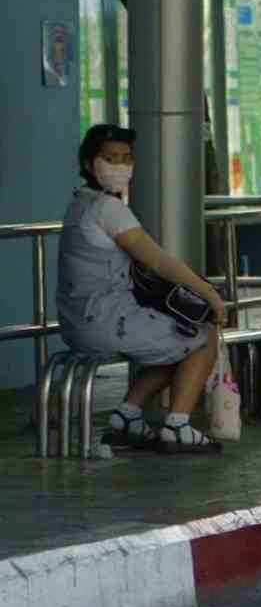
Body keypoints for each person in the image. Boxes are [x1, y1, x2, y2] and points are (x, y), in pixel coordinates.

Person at [56, 124, 230, 452]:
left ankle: (128, 416)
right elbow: (157, 259)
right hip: (106, 322)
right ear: (87, 164)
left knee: (175, 336)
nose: (120, 166)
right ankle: (177, 425)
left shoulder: (79, 203)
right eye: (110, 158)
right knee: (201, 336)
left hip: (78, 321)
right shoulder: (108, 208)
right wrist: (209, 294)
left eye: (125, 158)